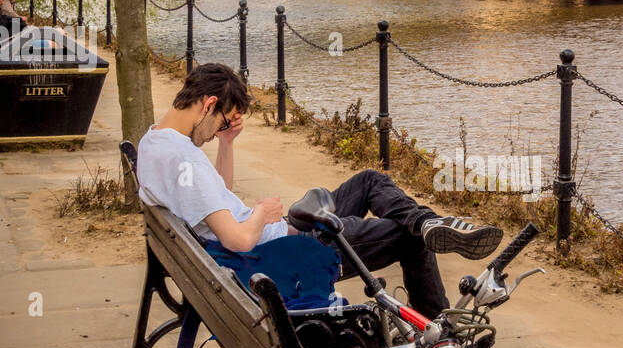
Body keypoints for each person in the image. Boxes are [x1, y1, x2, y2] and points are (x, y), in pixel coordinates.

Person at [137, 62, 502, 318]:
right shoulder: (184, 159)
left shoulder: (155, 144)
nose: (216, 131)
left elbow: (214, 196)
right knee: (406, 239)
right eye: (221, 122)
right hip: (287, 254)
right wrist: (263, 213)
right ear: (209, 104)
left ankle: (427, 223)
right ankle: (441, 336)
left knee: (369, 181)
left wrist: (227, 144)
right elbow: (237, 240)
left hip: (277, 242)